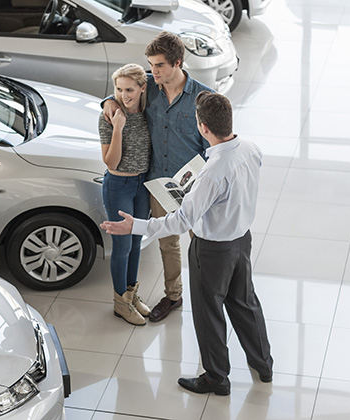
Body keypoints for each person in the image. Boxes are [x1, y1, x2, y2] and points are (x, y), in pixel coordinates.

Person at [101, 92, 273, 395]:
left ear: (203, 128)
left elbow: (182, 221)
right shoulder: (250, 149)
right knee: (245, 302)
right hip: (241, 241)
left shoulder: (213, 172)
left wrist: (136, 225)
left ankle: (217, 378)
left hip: (212, 250)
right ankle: (264, 363)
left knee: (209, 313)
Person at [102, 31, 213, 322]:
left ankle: (208, 298)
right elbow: (123, 92)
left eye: (159, 65)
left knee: (201, 244)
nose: (153, 71)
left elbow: (213, 147)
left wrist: (197, 179)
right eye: (150, 65)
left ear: (177, 63)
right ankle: (173, 296)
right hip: (156, 183)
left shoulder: (202, 98)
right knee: (167, 242)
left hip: (193, 187)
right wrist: (108, 103)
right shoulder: (150, 87)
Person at [99, 64, 152, 325]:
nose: (124, 95)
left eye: (130, 89)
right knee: (123, 246)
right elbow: (111, 162)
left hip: (142, 185)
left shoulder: (149, 108)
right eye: (118, 90)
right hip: (118, 186)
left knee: (137, 242)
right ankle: (120, 302)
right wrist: (118, 127)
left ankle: (132, 294)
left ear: (143, 88)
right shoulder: (109, 116)